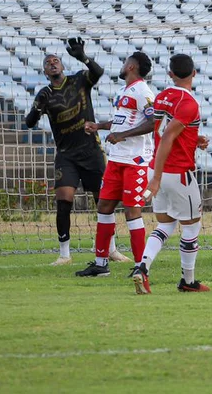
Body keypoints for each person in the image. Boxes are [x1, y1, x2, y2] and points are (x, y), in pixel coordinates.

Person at [23, 37, 120, 266]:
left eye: (56, 60)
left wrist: (84, 58)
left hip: (91, 150)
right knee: (64, 200)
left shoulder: (79, 80)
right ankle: (65, 254)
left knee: (103, 200)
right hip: (66, 155)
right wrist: (37, 108)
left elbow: (98, 72)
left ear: (62, 66)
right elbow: (29, 122)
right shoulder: (44, 95)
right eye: (48, 63)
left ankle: (112, 249)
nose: (53, 63)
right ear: (45, 72)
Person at [130, 54, 210, 294]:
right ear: (194, 73)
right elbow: (167, 136)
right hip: (176, 173)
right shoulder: (190, 102)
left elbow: (167, 130)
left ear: (170, 74)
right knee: (192, 227)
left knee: (165, 225)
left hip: (157, 167)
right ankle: (188, 281)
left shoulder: (162, 96)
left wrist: (194, 140)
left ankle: (142, 267)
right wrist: (155, 178)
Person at [76, 52, 156, 278]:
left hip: (135, 160)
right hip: (117, 159)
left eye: (125, 62)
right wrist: (99, 125)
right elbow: (121, 121)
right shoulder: (123, 91)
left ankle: (141, 266)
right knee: (104, 206)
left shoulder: (143, 91)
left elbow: (152, 121)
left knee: (132, 210)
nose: (122, 66)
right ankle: (101, 264)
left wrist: (122, 136)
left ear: (131, 66)